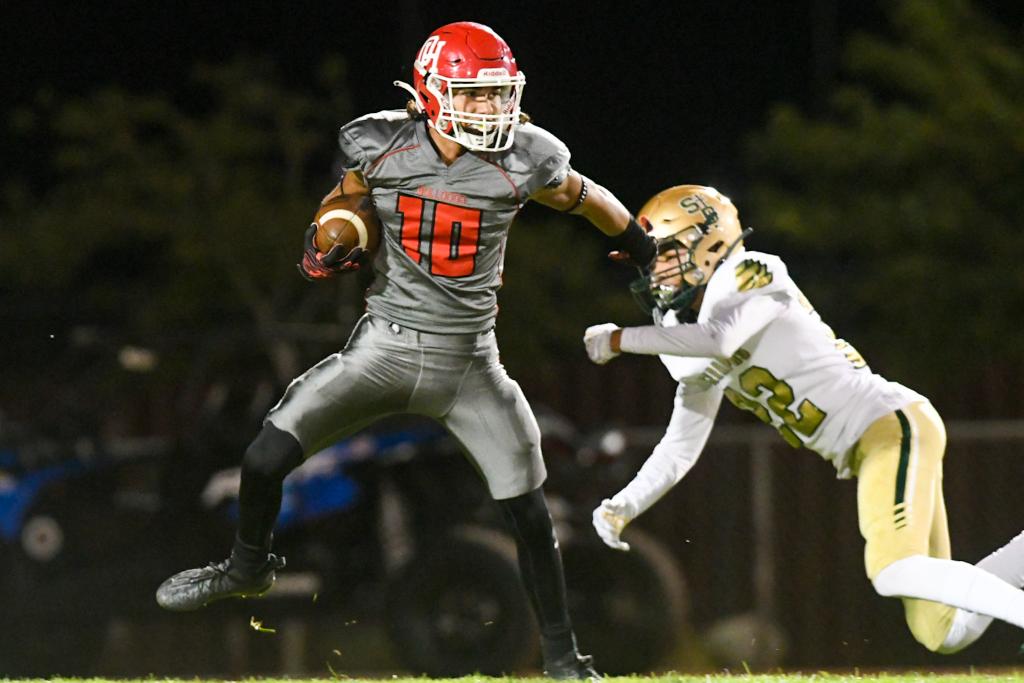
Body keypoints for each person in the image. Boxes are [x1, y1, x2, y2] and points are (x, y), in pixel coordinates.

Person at [155, 21, 655, 679]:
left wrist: (640, 247)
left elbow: (583, 196)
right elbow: (345, 206)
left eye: (499, 94)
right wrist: (327, 239)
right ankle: (247, 568)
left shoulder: (525, 154)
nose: (491, 108)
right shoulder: (382, 141)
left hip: (470, 362)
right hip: (384, 350)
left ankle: (563, 656)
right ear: (432, 91)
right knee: (265, 453)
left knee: (531, 512)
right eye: (475, 95)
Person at [583, 183, 1024, 655]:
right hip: (873, 441)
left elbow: (721, 338)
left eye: (667, 252)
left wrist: (620, 339)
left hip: (887, 425)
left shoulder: (752, 271)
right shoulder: (691, 341)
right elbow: (680, 446)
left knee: (892, 569)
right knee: (943, 631)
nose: (656, 270)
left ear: (709, 240)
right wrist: (623, 505)